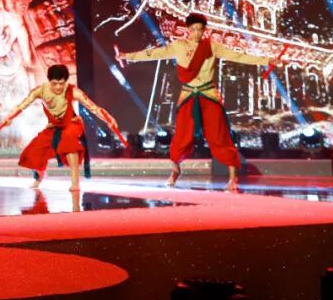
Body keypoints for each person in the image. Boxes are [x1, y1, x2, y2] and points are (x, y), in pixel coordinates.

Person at [117, 12, 273, 191]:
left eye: (200, 29)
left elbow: (238, 56)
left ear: (204, 30)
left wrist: (267, 60)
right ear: (188, 29)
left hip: (209, 94)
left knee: (219, 135)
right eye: (193, 29)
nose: (197, 33)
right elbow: (153, 53)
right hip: (189, 96)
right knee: (182, 136)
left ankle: (233, 177)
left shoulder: (211, 46)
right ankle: (175, 170)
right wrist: (127, 56)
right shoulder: (179, 46)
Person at [0, 64, 120, 192]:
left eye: (61, 83)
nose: (58, 87)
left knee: (69, 141)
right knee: (32, 152)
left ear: (65, 82)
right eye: (55, 84)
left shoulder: (73, 91)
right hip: (54, 126)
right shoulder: (40, 91)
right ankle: (39, 175)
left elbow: (94, 108)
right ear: (49, 81)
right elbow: (21, 106)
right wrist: (10, 117)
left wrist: (109, 119)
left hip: (71, 123)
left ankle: (75, 183)